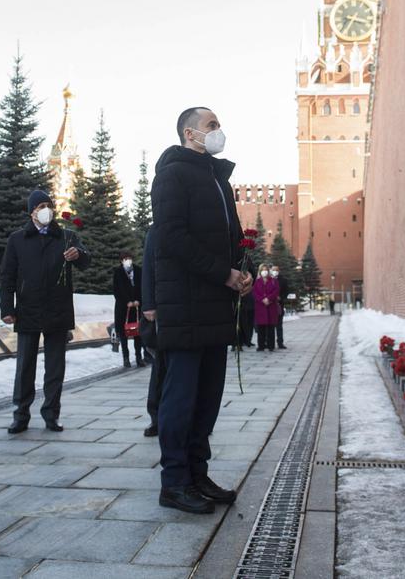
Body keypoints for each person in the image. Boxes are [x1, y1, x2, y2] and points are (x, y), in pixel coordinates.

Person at [152, 106, 250, 514]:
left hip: (215, 304)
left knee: (208, 398)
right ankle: (174, 482)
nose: (218, 131)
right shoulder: (172, 175)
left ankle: (197, 474)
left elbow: (235, 238)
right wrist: (221, 273)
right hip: (186, 305)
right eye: (212, 125)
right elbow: (171, 237)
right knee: (181, 399)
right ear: (190, 133)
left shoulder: (218, 181)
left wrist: (244, 271)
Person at [0, 189, 90, 433]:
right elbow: (7, 276)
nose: (46, 210)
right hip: (28, 309)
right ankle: (21, 414)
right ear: (32, 212)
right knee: (25, 365)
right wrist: (7, 307)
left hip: (57, 309)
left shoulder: (67, 236)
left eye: (48, 205)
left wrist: (78, 254)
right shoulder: (18, 239)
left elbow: (86, 261)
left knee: (55, 366)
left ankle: (51, 412)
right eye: (40, 206)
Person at [140, 225, 162, 437]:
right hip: (162, 310)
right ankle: (156, 417)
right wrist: (148, 304)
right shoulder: (156, 230)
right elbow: (148, 268)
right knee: (160, 367)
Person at [112, 251, 145, 368]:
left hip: (136, 307)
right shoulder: (118, 272)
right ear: (121, 261)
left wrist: (138, 300)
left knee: (138, 333)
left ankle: (139, 357)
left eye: (129, 258)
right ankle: (126, 358)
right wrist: (127, 302)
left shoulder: (138, 270)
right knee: (123, 333)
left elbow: (143, 286)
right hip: (123, 308)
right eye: (125, 259)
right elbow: (116, 290)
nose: (128, 260)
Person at [252, 264, 282, 351]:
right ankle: (261, 346)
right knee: (261, 328)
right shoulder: (257, 281)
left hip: (271, 307)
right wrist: (262, 299)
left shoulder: (273, 281)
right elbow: (254, 293)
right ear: (260, 271)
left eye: (266, 270)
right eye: (262, 270)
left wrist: (268, 299)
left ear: (268, 271)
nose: (264, 272)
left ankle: (271, 346)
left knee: (271, 328)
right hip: (260, 307)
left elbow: (276, 291)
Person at [271, 264, 289, 349]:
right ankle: (269, 342)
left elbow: (286, 292)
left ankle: (280, 343)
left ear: (279, 271)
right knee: (270, 325)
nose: (275, 271)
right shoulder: (268, 279)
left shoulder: (284, 280)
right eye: (273, 270)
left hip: (279, 305)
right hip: (270, 305)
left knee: (279, 325)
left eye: (276, 270)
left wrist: (281, 298)